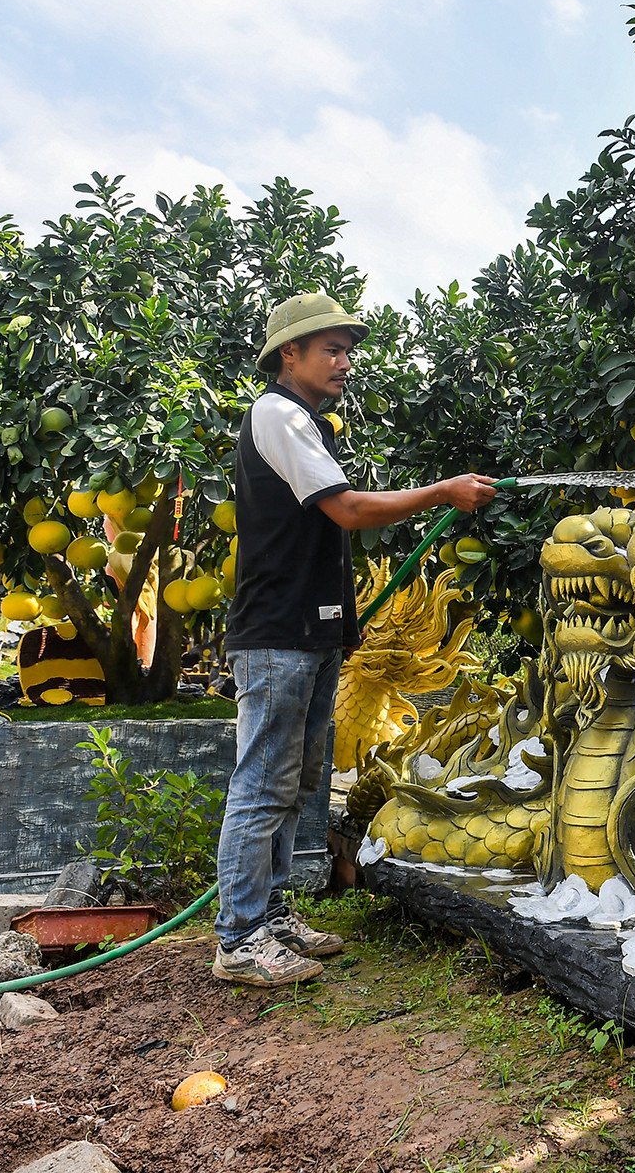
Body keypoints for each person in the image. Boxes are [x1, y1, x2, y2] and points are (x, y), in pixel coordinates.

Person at [213, 291, 496, 986]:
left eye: (347, 350)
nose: (345, 362)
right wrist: (442, 492)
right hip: (278, 634)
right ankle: (240, 936)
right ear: (291, 354)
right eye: (331, 349)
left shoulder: (305, 422)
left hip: (308, 633)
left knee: (297, 780)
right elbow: (347, 510)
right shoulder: (278, 415)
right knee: (264, 780)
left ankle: (271, 916)